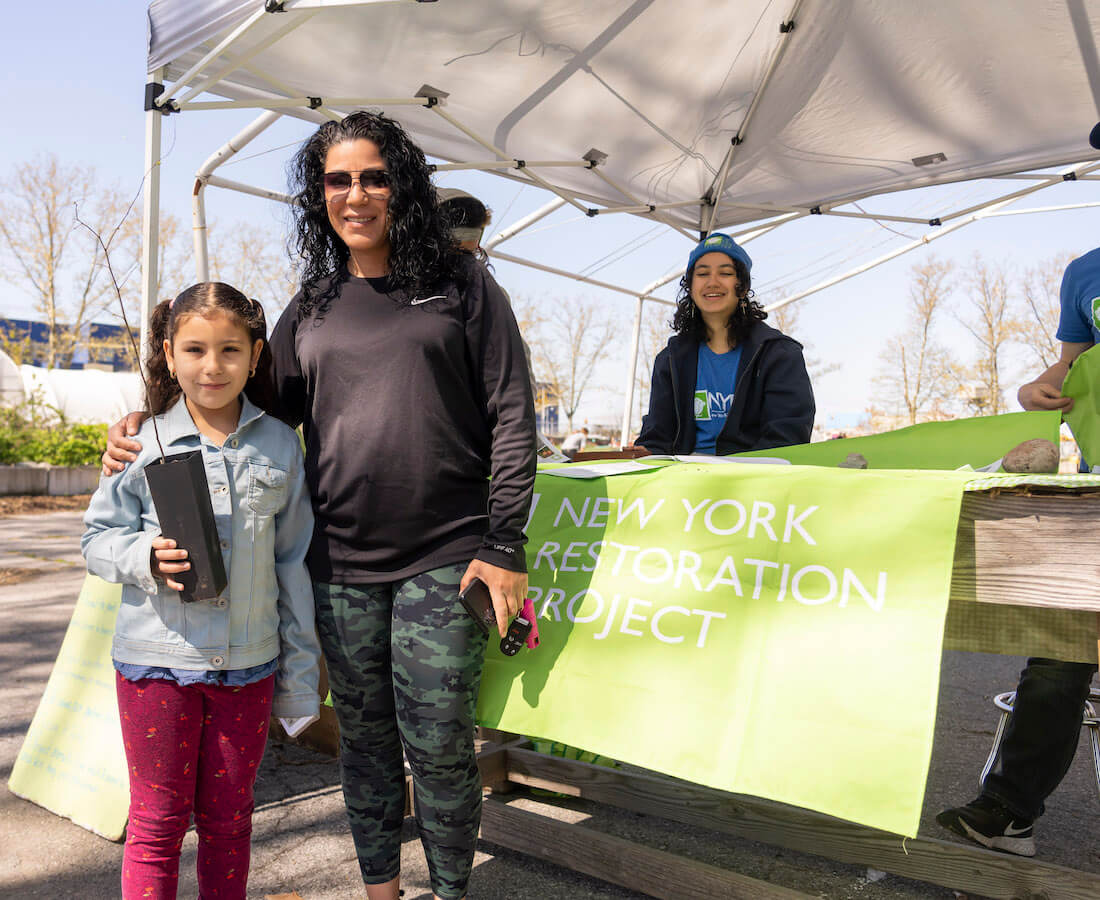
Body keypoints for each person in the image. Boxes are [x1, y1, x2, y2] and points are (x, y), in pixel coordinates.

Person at [104, 111, 536, 900]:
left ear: (400, 185)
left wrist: (505, 545)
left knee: (438, 743)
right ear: (320, 196)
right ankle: (381, 889)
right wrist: (147, 422)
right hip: (338, 565)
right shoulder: (316, 302)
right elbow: (243, 405)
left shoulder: (462, 284)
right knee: (364, 744)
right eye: (339, 180)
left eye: (374, 176)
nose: (357, 194)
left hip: (446, 555)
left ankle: (448, 891)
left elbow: (512, 412)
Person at [83, 282, 320, 900]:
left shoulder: (279, 446)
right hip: (156, 665)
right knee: (157, 826)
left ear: (255, 354)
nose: (212, 367)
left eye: (230, 351)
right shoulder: (139, 444)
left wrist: (298, 679)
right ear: (167, 353)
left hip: (249, 667)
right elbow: (96, 542)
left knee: (230, 823)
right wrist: (143, 556)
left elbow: (294, 566)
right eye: (194, 349)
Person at [936, 245, 1100, 857]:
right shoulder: (1086, 272)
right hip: (1096, 493)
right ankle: (1008, 813)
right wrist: (1042, 386)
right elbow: (1072, 368)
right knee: (1061, 648)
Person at [636, 232, 814, 454]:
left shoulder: (778, 354)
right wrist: (644, 453)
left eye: (725, 273)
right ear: (690, 288)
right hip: (684, 481)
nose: (712, 282)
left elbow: (787, 438)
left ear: (742, 287)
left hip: (751, 481)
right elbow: (657, 436)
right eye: (702, 274)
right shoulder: (671, 359)